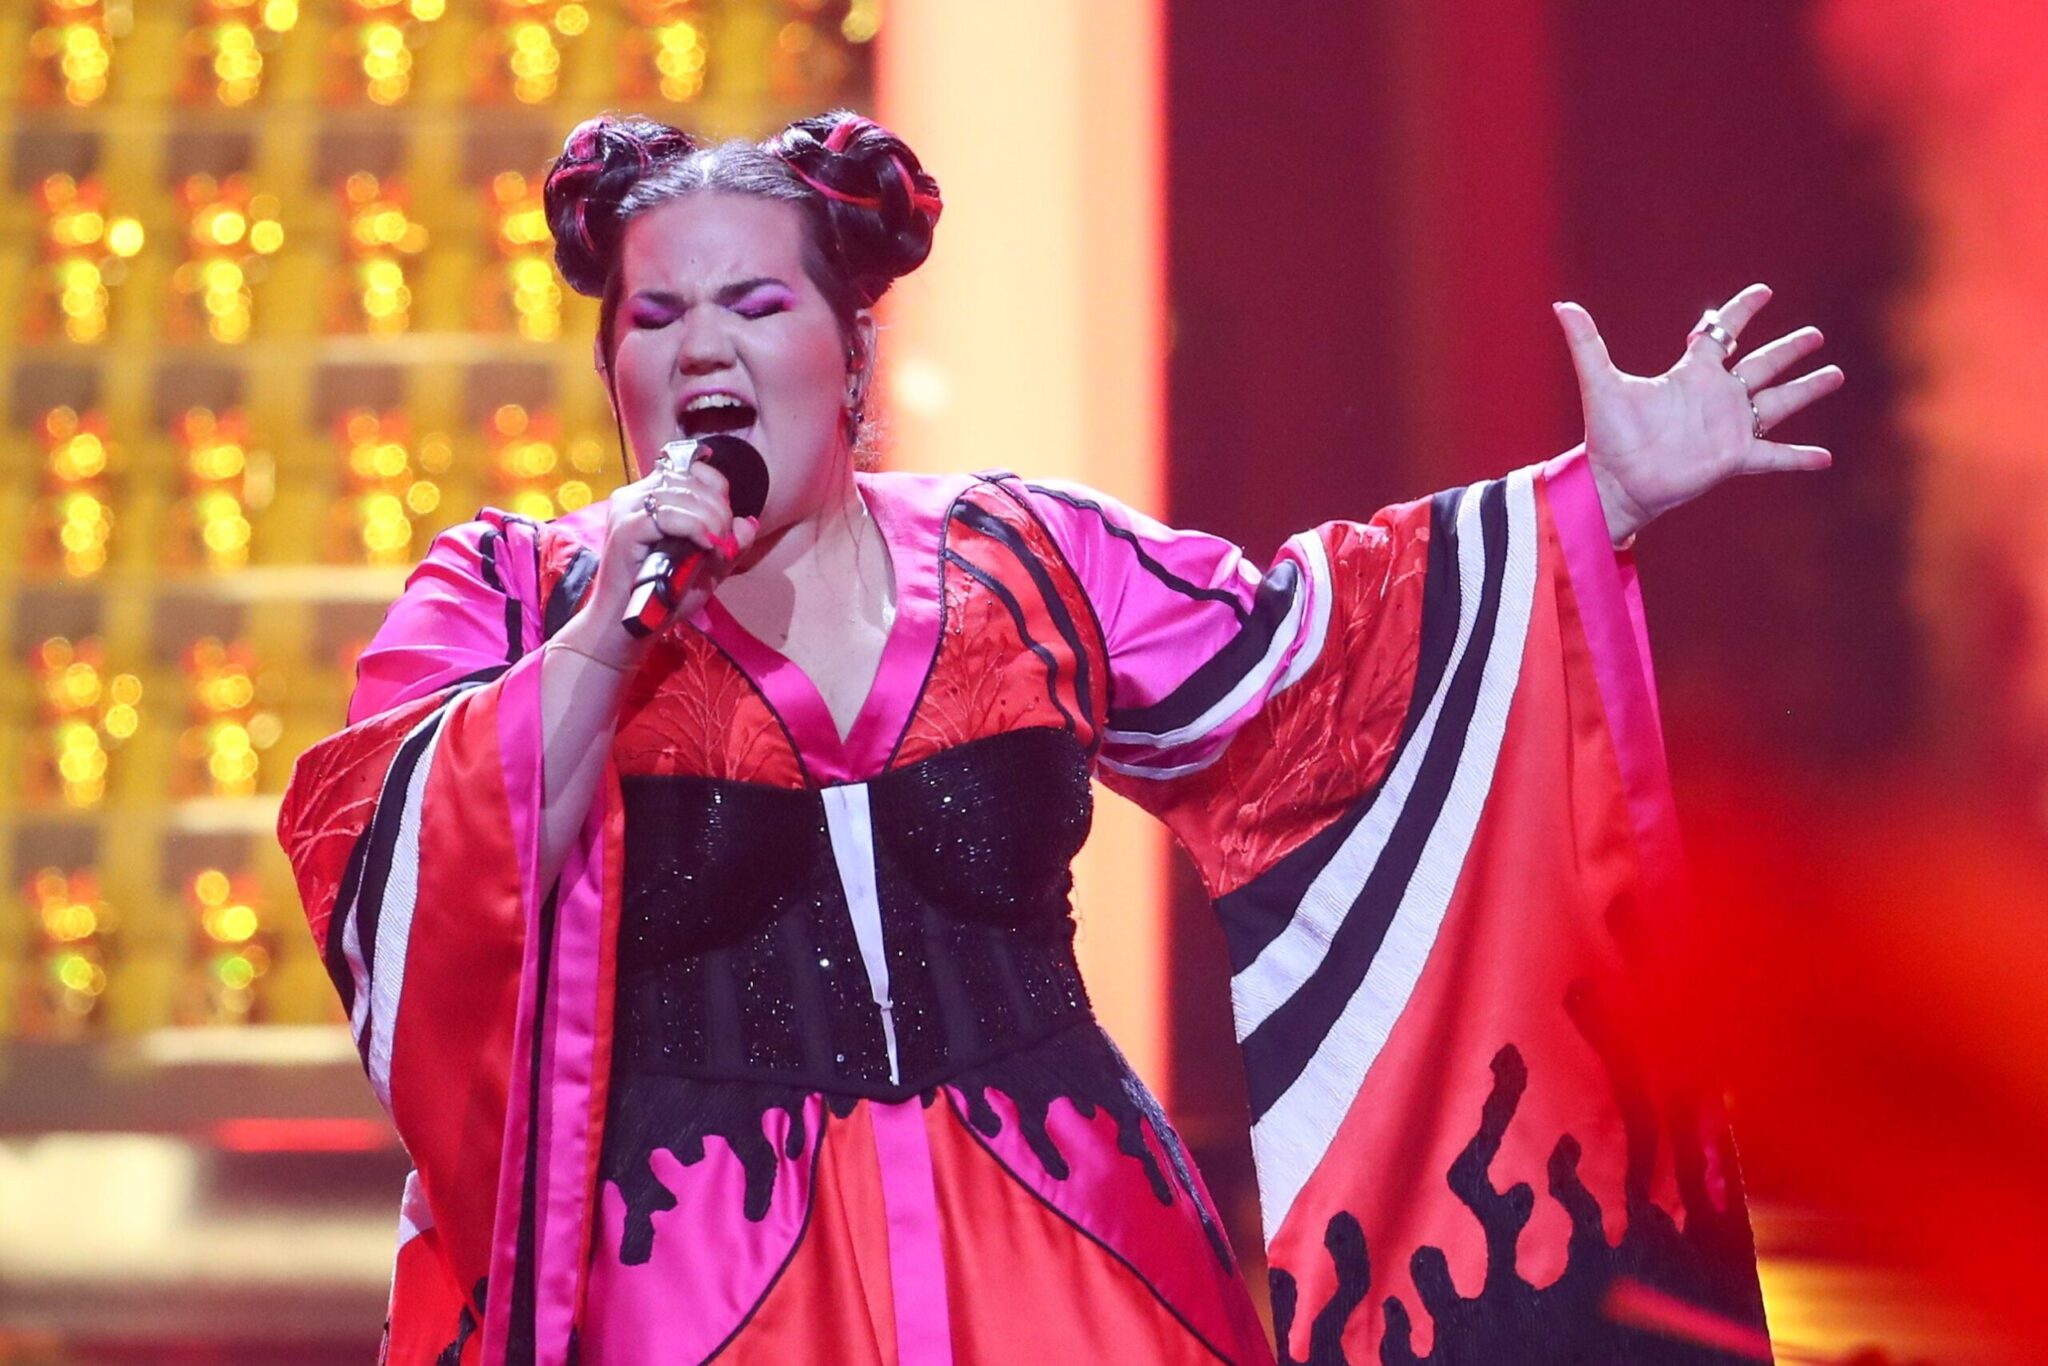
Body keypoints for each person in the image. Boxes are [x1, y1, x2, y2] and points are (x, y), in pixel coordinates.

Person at [277, 108, 1843, 1366]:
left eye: (756, 304)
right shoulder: (513, 592)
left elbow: (1314, 675)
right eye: (655, 316)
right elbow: (408, 860)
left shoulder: (1025, 557)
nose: (703, 350)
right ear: (612, 365)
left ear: (852, 351)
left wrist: (1602, 497)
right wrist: (610, 625)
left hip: (1074, 1242)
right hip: (688, 1270)